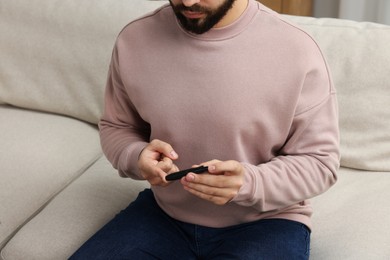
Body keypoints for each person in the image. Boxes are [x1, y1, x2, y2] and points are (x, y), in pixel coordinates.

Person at [70, 0, 340, 259]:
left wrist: (249, 182)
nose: (188, 3)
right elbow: (118, 125)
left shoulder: (296, 49)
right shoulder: (135, 38)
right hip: (163, 215)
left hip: (266, 222)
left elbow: (320, 162)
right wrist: (137, 156)